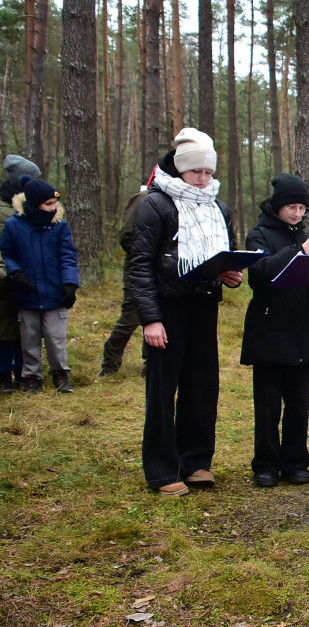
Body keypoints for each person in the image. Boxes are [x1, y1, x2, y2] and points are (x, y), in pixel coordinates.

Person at [128, 128, 243, 497]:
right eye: (197, 172)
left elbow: (228, 251)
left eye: (209, 172)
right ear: (180, 169)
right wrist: (151, 318)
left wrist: (231, 274)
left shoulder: (217, 207)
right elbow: (139, 265)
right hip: (167, 308)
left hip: (203, 305)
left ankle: (196, 461)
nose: (204, 178)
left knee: (202, 385)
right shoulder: (155, 204)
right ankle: (162, 469)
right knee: (163, 390)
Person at [241, 174, 309, 487]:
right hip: (268, 329)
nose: (297, 213)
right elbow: (260, 274)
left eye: (302, 208)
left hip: (300, 329)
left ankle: (296, 462)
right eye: (292, 207)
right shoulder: (259, 234)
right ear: (278, 207)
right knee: (268, 405)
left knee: (298, 403)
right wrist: (300, 251)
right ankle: (265, 464)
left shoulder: (306, 235)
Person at [0, 176, 79, 394]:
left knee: (56, 338)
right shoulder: (13, 226)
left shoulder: (59, 226)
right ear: (34, 204)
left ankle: (60, 373)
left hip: (56, 294)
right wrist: (15, 273)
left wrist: (70, 284)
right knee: (29, 339)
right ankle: (31, 377)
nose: (53, 208)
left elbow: (68, 256)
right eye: (48, 204)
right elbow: (6, 253)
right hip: (27, 294)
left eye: (54, 204)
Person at [99, 172, 154, 377]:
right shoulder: (143, 199)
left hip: (162, 269)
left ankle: (150, 364)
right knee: (131, 316)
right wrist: (146, 255)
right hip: (138, 266)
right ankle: (109, 362)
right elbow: (127, 235)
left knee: (158, 315)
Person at [0, 155, 40, 392]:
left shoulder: (33, 206)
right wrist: (9, 271)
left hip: (29, 276)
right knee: (4, 328)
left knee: (28, 328)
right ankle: (4, 374)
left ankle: (25, 372)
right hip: (5, 277)